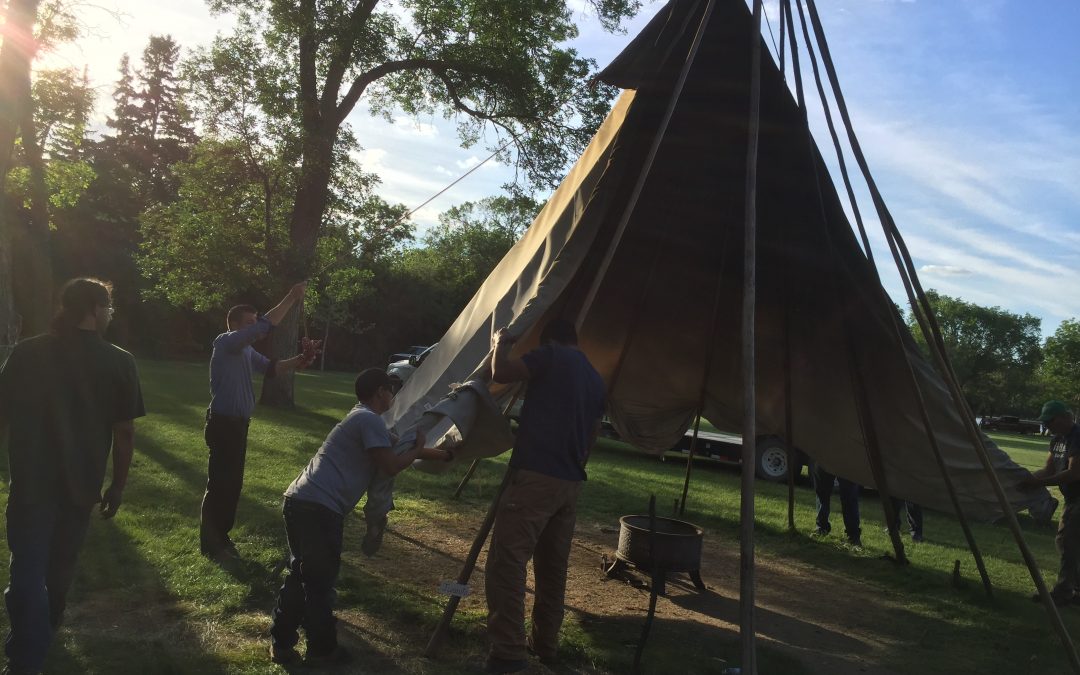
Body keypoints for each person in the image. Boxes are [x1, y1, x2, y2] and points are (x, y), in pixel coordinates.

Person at [0, 278, 145, 674]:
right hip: (81, 484)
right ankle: (38, 639)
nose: (110, 316)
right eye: (109, 309)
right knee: (59, 568)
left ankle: (27, 653)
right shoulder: (119, 361)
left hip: (31, 480)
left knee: (27, 568)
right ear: (95, 310)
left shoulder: (28, 352)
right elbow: (124, 432)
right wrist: (117, 484)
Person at [268, 368, 451, 665]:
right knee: (318, 582)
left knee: (302, 575)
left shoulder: (363, 418)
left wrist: (444, 455)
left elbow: (399, 448)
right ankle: (323, 652)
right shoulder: (368, 420)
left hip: (301, 500)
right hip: (319, 508)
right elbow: (392, 465)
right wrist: (418, 447)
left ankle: (282, 644)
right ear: (380, 391)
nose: (393, 395)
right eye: (391, 389)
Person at [484, 319, 605, 674]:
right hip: (569, 484)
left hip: (536, 477)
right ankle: (546, 645)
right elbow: (593, 435)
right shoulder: (595, 379)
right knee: (553, 570)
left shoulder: (550, 356)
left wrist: (499, 344)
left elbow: (503, 373)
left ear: (549, 340)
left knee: (507, 563)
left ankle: (507, 653)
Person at [200, 282, 319, 560]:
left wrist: (300, 360)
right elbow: (265, 326)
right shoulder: (226, 342)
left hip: (238, 424)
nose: (256, 327)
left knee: (232, 484)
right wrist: (291, 297)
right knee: (221, 484)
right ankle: (213, 544)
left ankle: (220, 539)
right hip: (223, 423)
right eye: (250, 322)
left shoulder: (246, 351)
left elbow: (271, 368)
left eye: (255, 321)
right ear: (237, 325)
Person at [1018, 400, 1080, 606]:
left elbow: (1073, 473)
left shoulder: (1077, 437)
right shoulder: (1056, 439)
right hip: (1072, 498)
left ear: (1064, 417)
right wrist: (1024, 480)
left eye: (1050, 421)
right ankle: (1074, 590)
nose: (1047, 426)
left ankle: (1063, 593)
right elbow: (1048, 469)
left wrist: (1039, 483)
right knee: (1067, 543)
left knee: (1066, 542)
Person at [810, 461, 862, 547]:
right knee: (822, 492)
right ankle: (821, 527)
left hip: (847, 457)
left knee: (849, 495)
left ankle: (853, 536)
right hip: (824, 454)